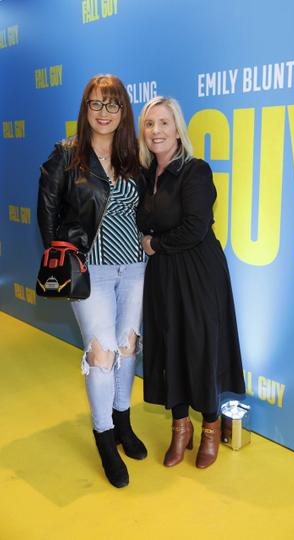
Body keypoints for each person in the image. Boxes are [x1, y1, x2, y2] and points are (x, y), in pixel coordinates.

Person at [37, 74, 147, 488]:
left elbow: (144, 211)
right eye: (96, 104)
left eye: (113, 105)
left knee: (127, 347)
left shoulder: (133, 157)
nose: (104, 113)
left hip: (134, 269)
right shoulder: (66, 155)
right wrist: (61, 260)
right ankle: (103, 437)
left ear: (124, 111)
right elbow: (46, 212)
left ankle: (123, 421)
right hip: (89, 273)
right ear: (85, 109)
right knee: (101, 356)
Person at [136, 96, 245, 469]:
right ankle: (179, 428)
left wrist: (155, 243)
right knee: (170, 347)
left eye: (164, 123)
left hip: (198, 273)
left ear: (178, 129)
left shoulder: (195, 170)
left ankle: (211, 429)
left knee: (201, 347)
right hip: (163, 275)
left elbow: (196, 228)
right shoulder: (145, 174)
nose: (156, 131)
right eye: (150, 124)